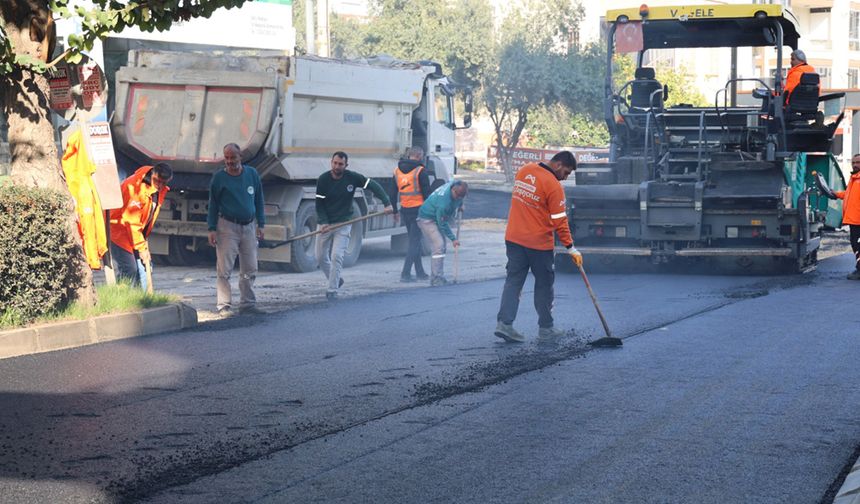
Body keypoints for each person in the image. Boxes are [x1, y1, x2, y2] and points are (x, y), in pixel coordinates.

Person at [494, 151, 581, 344]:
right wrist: (570, 247)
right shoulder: (554, 186)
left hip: (514, 238)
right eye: (566, 172)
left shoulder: (524, 171)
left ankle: (504, 324)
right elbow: (560, 221)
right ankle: (546, 328)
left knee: (514, 281)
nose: (565, 178)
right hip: (538, 244)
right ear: (558, 165)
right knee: (544, 284)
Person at [315, 151, 394, 300]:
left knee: (337, 256)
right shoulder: (323, 179)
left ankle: (332, 290)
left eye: (340, 164)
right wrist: (324, 221)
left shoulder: (352, 177)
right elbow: (319, 204)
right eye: (335, 163)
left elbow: (373, 185)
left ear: (346, 165)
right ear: (331, 162)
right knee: (320, 257)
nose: (337, 166)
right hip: (325, 224)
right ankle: (336, 280)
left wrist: (387, 203)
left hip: (344, 223)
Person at [207, 143, 266, 317]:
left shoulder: (252, 174)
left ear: (241, 156)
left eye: (233, 157)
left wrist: (261, 224)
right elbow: (213, 204)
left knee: (250, 267)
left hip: (248, 226)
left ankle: (247, 304)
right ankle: (224, 305)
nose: (230, 161)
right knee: (224, 269)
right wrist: (211, 228)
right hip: (227, 226)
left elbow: (259, 199)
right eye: (227, 158)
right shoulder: (219, 178)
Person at [109, 163, 173, 290]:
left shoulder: (156, 189)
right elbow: (132, 222)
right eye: (157, 181)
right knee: (129, 268)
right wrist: (142, 248)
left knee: (145, 267)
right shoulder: (136, 188)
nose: (159, 186)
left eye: (163, 183)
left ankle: (142, 301)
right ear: (152, 175)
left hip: (136, 234)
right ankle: (120, 299)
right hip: (118, 232)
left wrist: (142, 241)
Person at [416, 179, 469, 286]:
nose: (458, 198)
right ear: (453, 190)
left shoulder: (455, 184)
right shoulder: (443, 203)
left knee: (442, 246)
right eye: (457, 196)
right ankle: (436, 278)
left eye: (461, 197)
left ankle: (439, 275)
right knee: (439, 245)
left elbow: (459, 184)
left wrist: (460, 204)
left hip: (435, 217)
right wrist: (453, 238)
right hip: (427, 219)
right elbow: (442, 223)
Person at [394, 146, 431, 283]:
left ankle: (420, 272)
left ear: (409, 155)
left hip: (405, 210)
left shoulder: (397, 171)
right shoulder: (420, 171)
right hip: (418, 210)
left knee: (414, 242)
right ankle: (405, 273)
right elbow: (427, 194)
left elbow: (393, 193)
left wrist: (394, 210)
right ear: (420, 156)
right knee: (414, 242)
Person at [834, 153, 860, 280]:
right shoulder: (854, 178)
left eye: (858, 162)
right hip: (854, 220)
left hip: (858, 220)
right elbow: (849, 194)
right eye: (853, 162)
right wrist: (836, 194)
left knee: (858, 246)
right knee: (855, 245)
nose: (855, 165)